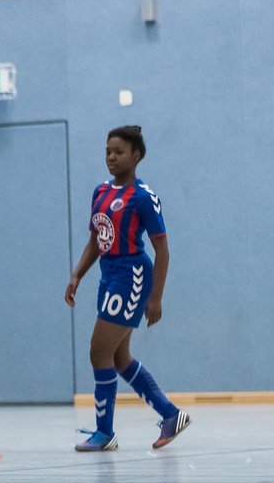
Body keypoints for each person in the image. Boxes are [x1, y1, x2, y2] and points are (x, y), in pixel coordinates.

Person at [65, 125, 191, 452]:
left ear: (136, 156)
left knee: (98, 351)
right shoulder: (100, 192)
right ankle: (171, 414)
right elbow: (97, 238)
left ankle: (104, 433)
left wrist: (156, 297)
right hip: (110, 275)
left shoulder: (143, 197)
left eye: (118, 152)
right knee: (119, 357)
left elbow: (162, 250)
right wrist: (78, 273)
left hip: (132, 275)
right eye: (107, 151)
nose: (111, 157)